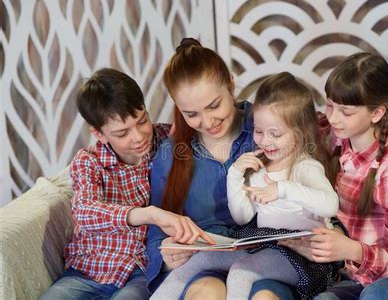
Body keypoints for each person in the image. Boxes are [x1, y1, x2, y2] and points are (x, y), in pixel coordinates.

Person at [152, 72, 340, 300]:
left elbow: (330, 206)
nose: (265, 141)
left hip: (296, 254)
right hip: (262, 244)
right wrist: (235, 175)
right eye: (259, 132)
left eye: (275, 134)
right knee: (202, 259)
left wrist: (282, 188)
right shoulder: (260, 168)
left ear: (299, 135)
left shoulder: (305, 167)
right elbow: (242, 217)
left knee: (240, 274)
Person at [146, 39, 301, 300]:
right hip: (204, 264)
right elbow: (156, 233)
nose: (207, 122)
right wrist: (168, 254)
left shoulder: (270, 130)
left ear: (230, 83)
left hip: (268, 260)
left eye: (213, 105)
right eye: (191, 114)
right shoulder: (170, 155)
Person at [39, 68, 212, 300]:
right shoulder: (89, 161)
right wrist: (149, 214)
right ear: (99, 134)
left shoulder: (168, 143)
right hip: (88, 271)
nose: (139, 136)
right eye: (122, 133)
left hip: (142, 272)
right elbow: (84, 212)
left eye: (142, 121)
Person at [279, 52, 388, 300]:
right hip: (356, 273)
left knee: (374, 297)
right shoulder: (332, 136)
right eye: (330, 105)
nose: (333, 117)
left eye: (346, 111)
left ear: (376, 114)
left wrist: (351, 249)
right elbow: (285, 125)